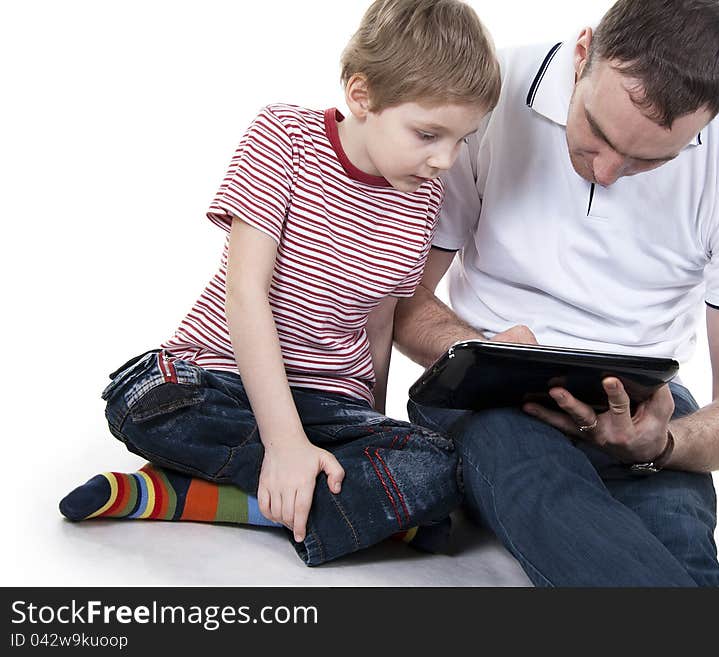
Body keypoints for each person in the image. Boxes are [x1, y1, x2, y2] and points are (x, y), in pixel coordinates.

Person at [59, 0, 501, 567]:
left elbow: (380, 320)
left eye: (462, 140)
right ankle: (332, 499)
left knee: (440, 468)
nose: (445, 159)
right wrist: (284, 442)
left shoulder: (423, 190)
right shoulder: (283, 137)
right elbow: (246, 295)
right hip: (222, 380)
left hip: (327, 405)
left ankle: (193, 495)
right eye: (427, 134)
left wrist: (374, 425)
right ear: (361, 95)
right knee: (143, 398)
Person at [396, 0, 719, 586]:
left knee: (686, 561)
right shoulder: (482, 99)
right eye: (599, 135)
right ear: (582, 55)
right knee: (528, 470)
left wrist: (663, 443)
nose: (607, 172)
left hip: (642, 412)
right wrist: (484, 350)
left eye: (649, 160)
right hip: (491, 398)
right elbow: (398, 297)